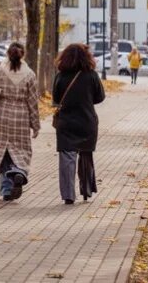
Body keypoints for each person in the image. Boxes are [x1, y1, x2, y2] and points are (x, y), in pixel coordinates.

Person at [0, 42, 40, 201]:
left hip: (2, 116)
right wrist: (35, 125)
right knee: (21, 150)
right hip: (21, 117)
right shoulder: (30, 74)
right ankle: (19, 172)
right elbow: (33, 102)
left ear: (8, 54)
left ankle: (7, 189)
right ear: (23, 55)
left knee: (3, 150)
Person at [53, 43, 105, 205]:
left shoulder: (60, 76)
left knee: (67, 159)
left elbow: (55, 98)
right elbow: (100, 97)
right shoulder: (92, 76)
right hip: (87, 122)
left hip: (66, 123)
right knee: (86, 154)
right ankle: (87, 189)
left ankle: (68, 195)